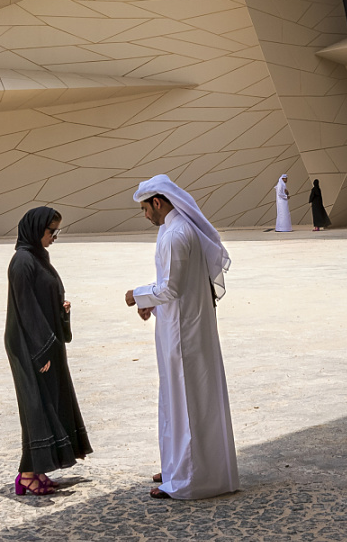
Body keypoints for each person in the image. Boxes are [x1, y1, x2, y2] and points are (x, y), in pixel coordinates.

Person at [125, 176, 239, 500]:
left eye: (145, 209)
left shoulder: (176, 233)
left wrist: (137, 295)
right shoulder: (172, 230)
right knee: (176, 399)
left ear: (157, 203)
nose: (146, 215)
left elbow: (171, 288)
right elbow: (178, 285)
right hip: (177, 325)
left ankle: (188, 480)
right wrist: (152, 307)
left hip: (184, 334)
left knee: (187, 401)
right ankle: (178, 464)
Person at [4, 206, 92, 496]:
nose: (54, 236)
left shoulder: (39, 258)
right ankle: (27, 474)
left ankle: (37, 470)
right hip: (29, 346)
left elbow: (43, 297)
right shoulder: (22, 262)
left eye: (57, 231)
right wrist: (41, 353)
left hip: (45, 342)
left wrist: (61, 311)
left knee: (49, 402)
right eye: (50, 231)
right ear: (35, 229)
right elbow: (26, 310)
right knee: (36, 407)